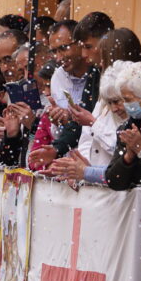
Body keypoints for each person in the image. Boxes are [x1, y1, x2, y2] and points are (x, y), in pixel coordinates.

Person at [31, 19, 100, 169]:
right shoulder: (58, 77)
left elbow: (91, 124)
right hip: (71, 163)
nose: (59, 57)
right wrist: (59, 123)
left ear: (80, 43)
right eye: (54, 51)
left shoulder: (97, 74)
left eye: (64, 48)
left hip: (98, 160)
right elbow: (70, 128)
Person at [47, 63, 128, 185]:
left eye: (117, 101)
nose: (114, 108)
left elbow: (121, 150)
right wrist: (79, 168)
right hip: (96, 185)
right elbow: (86, 139)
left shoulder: (134, 115)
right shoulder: (102, 104)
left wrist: (88, 172)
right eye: (109, 103)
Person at [104, 61, 141, 190]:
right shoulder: (127, 128)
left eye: (128, 99)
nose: (125, 105)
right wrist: (128, 157)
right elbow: (113, 181)